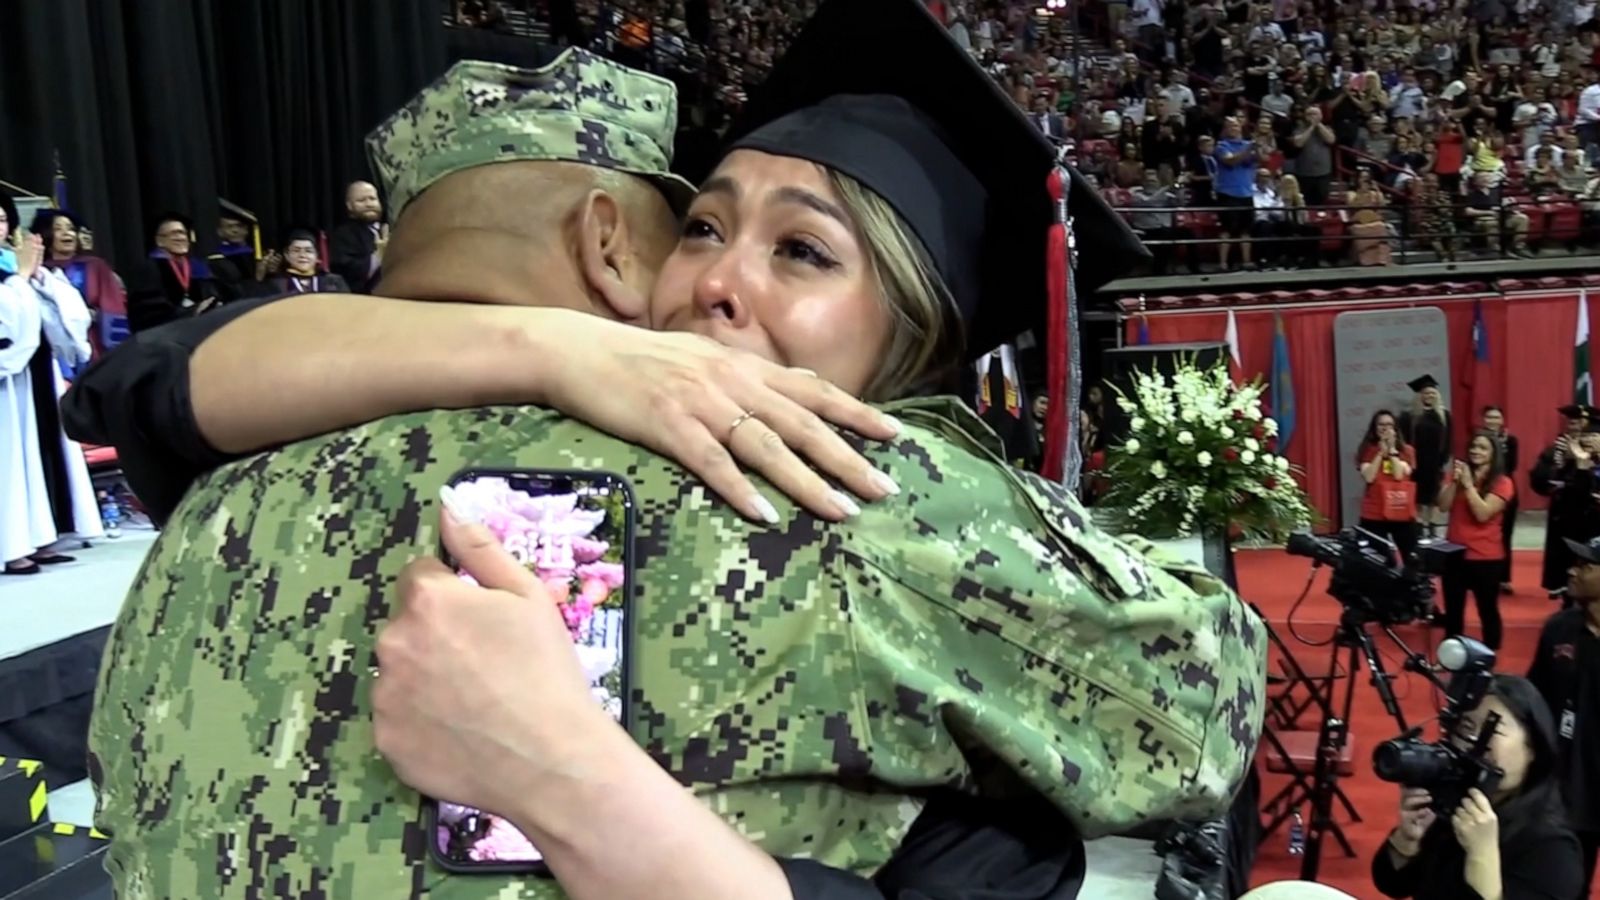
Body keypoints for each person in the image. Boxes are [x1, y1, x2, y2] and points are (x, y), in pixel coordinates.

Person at [72, 20, 1259, 900]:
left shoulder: (208, 512)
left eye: (801, 252)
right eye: (697, 225)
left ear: (915, 328)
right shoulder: (851, 504)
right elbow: (1201, 723)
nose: (715, 284)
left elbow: (151, 387)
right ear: (607, 245)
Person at [1371, 675, 1583, 900]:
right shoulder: (1454, 797)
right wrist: (1407, 839)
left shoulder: (1554, 850)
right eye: (1466, 727)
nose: (1474, 742)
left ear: (1533, 747)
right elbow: (1391, 883)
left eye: (1491, 730)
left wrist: (1482, 854)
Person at [0, 228, 103, 576]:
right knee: (10, 460)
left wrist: (39, 277)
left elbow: (66, 312)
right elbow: (7, 322)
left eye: (2, 220)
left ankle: (40, 536)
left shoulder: (15, 265)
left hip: (35, 372)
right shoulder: (14, 272)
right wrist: (20, 280)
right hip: (7, 378)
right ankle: (12, 546)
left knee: (38, 454)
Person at [1527, 534, 1600, 894]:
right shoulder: (1559, 629)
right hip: (1569, 791)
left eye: (1585, 566)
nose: (1572, 570)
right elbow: (1534, 699)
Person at [1436, 432, 1515, 651]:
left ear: (1493, 454)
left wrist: (1469, 486)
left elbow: (1483, 514)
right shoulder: (1459, 475)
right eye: (1473, 447)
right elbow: (1442, 506)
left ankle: (1490, 653)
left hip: (1486, 557)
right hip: (1454, 553)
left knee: (1487, 609)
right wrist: (1455, 482)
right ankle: (1451, 654)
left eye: (1482, 448)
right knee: (1453, 610)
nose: (1475, 452)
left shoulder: (1503, 482)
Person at [29, 208, 128, 362]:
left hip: (94, 340)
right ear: (46, 235)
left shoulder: (95, 266)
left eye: (71, 229)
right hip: (53, 343)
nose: (67, 233)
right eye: (58, 229)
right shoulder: (38, 271)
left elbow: (113, 306)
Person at [1531, 405, 1600, 602]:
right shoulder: (1556, 450)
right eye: (1573, 423)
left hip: (1592, 523)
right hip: (1566, 518)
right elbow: (1539, 481)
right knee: (1569, 568)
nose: (1581, 432)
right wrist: (1560, 466)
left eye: (1582, 425)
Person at [126, 212, 223, 333]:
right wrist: (191, 311)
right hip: (166, 336)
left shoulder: (199, 267)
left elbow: (212, 295)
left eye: (183, 233)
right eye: (173, 234)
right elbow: (148, 312)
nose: (180, 238)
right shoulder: (149, 268)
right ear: (159, 241)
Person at [1356, 409, 1419, 562]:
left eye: (1389, 425)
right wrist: (1379, 453)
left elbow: (1399, 475)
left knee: (1412, 557)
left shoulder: (1407, 451)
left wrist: (1391, 451)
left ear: (1395, 428)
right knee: (1379, 561)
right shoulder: (1367, 449)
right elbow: (1369, 477)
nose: (1385, 428)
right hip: (1374, 512)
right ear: (1374, 427)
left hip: (1400, 509)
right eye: (1381, 425)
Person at [1399, 374, 1451, 537]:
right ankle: (1420, 525)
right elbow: (1404, 441)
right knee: (1418, 497)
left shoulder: (1444, 416)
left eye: (1432, 393)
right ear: (1419, 395)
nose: (1429, 396)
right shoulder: (1409, 417)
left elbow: (1449, 439)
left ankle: (1433, 525)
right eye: (1426, 393)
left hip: (1436, 463)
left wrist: (1444, 459)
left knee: (1434, 497)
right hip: (1416, 464)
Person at [1482, 405, 1520, 593]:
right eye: (1489, 417)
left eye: (1496, 417)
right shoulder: (1479, 441)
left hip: (1507, 490)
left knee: (1505, 536)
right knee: (1485, 535)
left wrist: (1501, 447)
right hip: (1483, 490)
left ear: (1502, 420)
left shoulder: (1511, 441)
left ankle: (1504, 579)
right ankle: (1483, 578)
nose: (1492, 421)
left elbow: (1512, 466)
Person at [253, 228, 351, 296]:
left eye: (308, 251)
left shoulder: (334, 282)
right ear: (286, 255)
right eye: (296, 250)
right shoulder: (276, 283)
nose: (302, 255)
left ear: (317, 256)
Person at [329, 180, 387, 293]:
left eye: (372, 199)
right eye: (361, 200)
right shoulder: (343, 235)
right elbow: (345, 273)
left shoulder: (393, 229)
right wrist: (377, 258)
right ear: (349, 206)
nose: (369, 204)